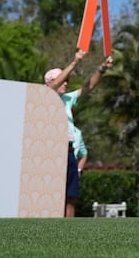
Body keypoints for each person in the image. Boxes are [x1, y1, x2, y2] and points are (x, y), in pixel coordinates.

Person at [45, 50, 115, 218]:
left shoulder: (68, 99)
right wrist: (75, 62)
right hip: (53, 154)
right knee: (54, 197)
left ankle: (69, 233)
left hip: (69, 152)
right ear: (50, 82)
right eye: (63, 79)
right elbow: (54, 87)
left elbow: (87, 87)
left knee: (70, 197)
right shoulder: (46, 96)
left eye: (68, 80)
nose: (66, 83)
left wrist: (101, 69)